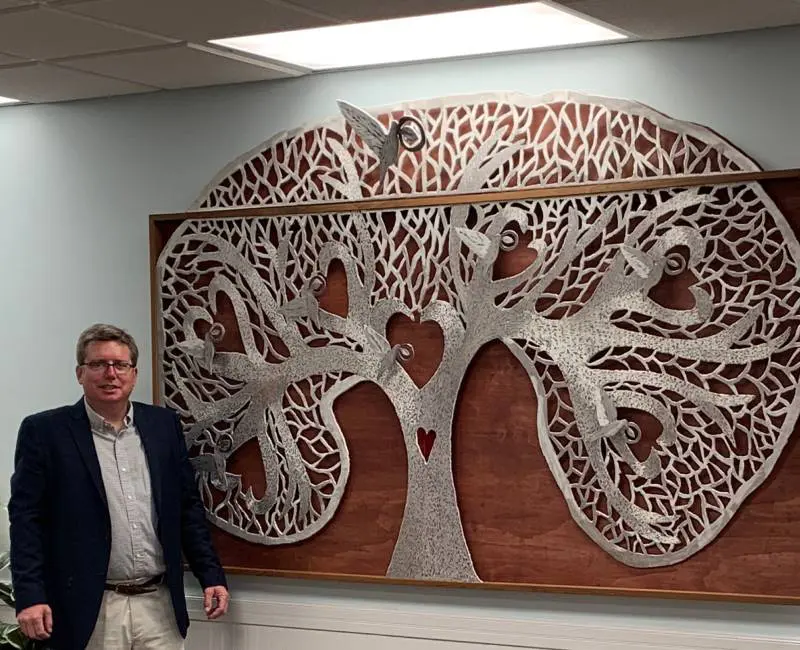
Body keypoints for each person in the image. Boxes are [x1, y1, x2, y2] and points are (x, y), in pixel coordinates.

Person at [8, 324, 230, 649]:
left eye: (120, 365)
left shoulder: (163, 426)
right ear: (80, 373)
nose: (110, 373)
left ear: (134, 374)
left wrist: (210, 575)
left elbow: (187, 510)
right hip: (92, 609)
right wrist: (29, 595)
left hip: (159, 606)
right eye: (98, 364)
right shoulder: (45, 433)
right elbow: (27, 521)